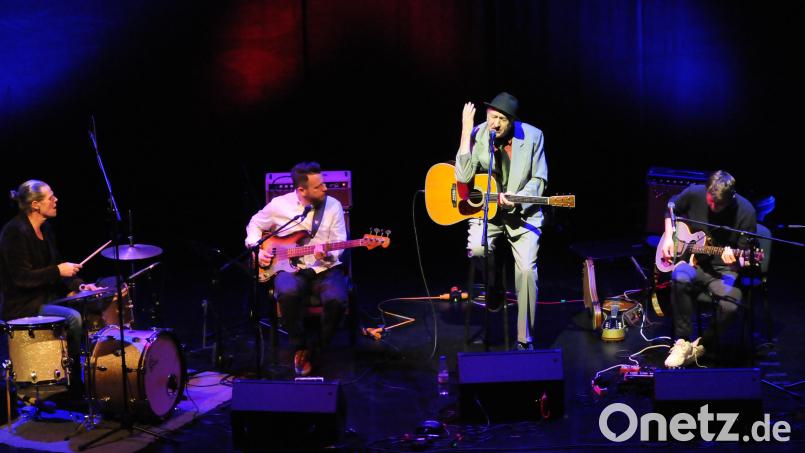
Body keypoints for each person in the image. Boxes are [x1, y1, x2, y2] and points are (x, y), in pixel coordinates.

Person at [455, 92, 548, 350]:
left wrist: (518, 198)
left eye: (500, 119)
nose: (494, 123)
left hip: (523, 215)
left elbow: (539, 180)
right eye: (490, 117)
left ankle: (523, 339)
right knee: (475, 249)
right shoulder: (479, 134)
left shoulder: (533, 136)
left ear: (512, 121)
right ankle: (494, 282)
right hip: (489, 214)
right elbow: (463, 177)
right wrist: (465, 133)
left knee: (528, 272)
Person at [245, 162, 348, 376]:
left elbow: (340, 241)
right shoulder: (279, 205)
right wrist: (257, 249)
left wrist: (327, 253)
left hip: (324, 268)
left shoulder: (334, 206)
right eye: (319, 186)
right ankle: (299, 345)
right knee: (287, 291)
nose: (325, 188)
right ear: (302, 190)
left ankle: (315, 349)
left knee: (338, 300)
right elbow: (254, 224)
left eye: (324, 184)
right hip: (288, 267)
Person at [0, 180, 99, 390]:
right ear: (36, 204)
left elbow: (57, 267)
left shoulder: (46, 229)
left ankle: (96, 373)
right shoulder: (14, 232)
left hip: (46, 298)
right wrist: (57, 270)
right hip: (24, 305)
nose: (56, 200)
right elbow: (21, 277)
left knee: (91, 304)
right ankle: (73, 384)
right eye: (50, 197)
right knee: (72, 318)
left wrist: (80, 285)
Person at [660, 170, 757, 367]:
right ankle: (682, 341)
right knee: (679, 274)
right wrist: (669, 236)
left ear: (731, 199)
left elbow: (744, 261)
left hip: (725, 271)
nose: (713, 207)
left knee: (730, 305)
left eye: (719, 204)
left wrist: (734, 262)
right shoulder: (695, 192)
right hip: (695, 263)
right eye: (710, 201)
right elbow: (671, 207)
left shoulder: (746, 212)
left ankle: (704, 344)